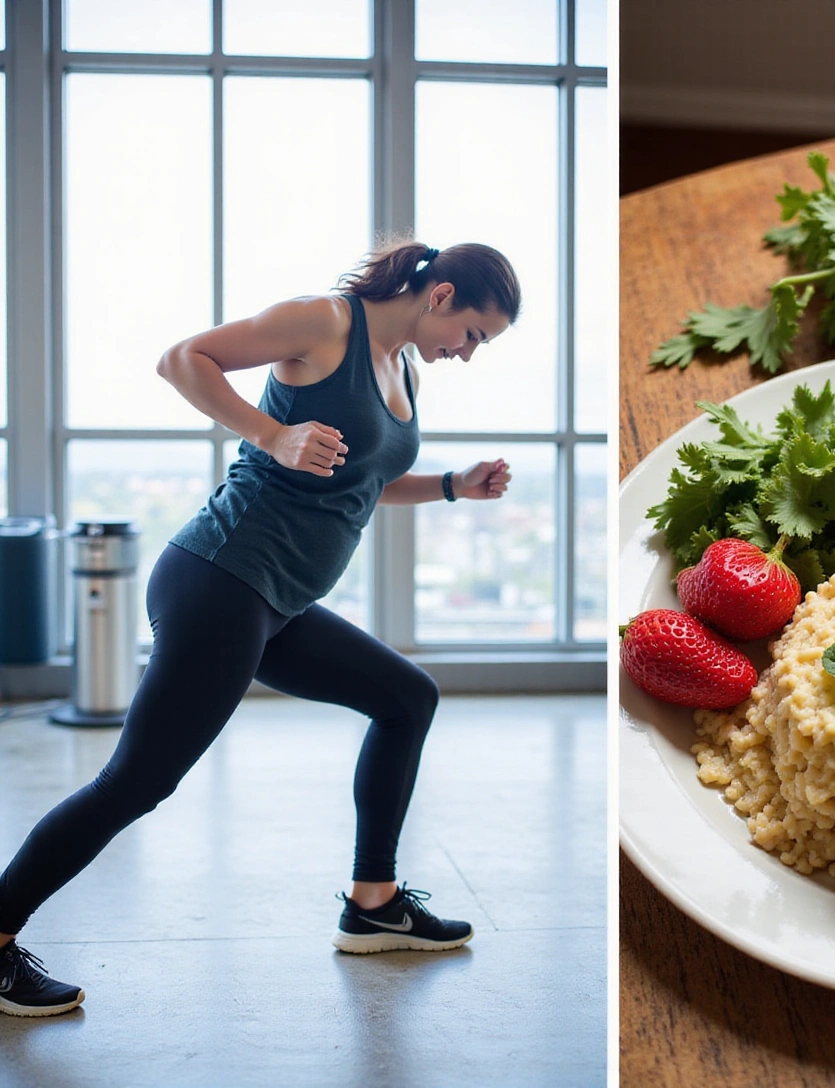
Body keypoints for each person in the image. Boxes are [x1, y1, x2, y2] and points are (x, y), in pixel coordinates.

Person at [0, 240, 521, 1017]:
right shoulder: (324, 324)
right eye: (473, 334)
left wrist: (452, 485)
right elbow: (183, 360)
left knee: (406, 699)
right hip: (221, 579)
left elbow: (362, 479)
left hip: (277, 601)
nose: (467, 354)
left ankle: (374, 905)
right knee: (138, 782)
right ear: (441, 295)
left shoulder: (402, 367)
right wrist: (271, 433)